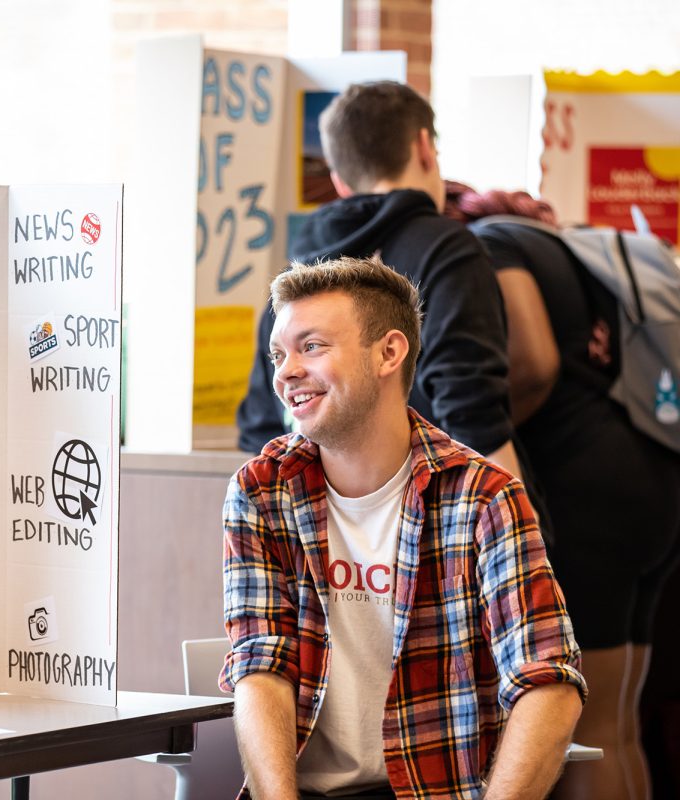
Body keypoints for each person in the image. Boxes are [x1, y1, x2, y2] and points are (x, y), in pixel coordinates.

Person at [221, 256, 586, 800]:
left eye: (312, 346)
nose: (286, 371)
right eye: (279, 353)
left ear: (389, 352)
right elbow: (261, 666)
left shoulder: (483, 496)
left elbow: (549, 682)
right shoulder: (261, 490)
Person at [444, 182, 680, 800]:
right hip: (650, 480)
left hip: (588, 501)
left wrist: (484, 436)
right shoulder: (571, 246)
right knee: (621, 723)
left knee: (588, 729)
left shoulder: (489, 247)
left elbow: (536, 364)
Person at [236, 81, 528, 491]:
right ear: (424, 147)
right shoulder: (447, 250)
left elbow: (260, 427)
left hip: (313, 523)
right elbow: (473, 415)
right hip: (434, 519)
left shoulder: (294, 273)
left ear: (339, 181)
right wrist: (515, 530)